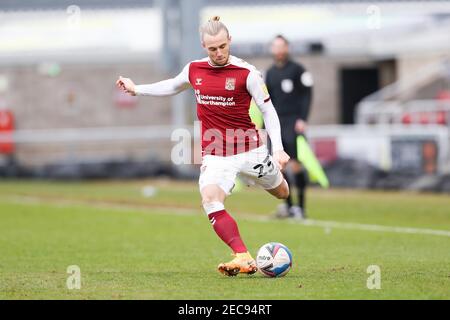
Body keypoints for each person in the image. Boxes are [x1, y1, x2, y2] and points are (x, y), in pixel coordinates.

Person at [116, 16, 290, 277]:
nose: (219, 53)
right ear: (203, 46)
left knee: (282, 193)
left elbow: (268, 110)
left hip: (250, 150)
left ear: (230, 40)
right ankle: (242, 256)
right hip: (216, 153)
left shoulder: (248, 73)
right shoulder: (194, 69)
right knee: (210, 199)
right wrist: (136, 88)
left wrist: (277, 149)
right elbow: (172, 85)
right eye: (212, 49)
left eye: (222, 46)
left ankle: (275, 186)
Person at [265, 35, 313, 219]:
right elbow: (266, 102)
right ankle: (288, 206)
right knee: (279, 168)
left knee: (295, 165)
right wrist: (264, 127)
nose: (278, 50)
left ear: (287, 48)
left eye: (281, 46)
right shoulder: (269, 73)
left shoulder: (297, 70)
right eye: (275, 46)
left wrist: (302, 118)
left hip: (293, 123)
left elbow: (307, 94)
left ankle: (300, 207)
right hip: (276, 125)